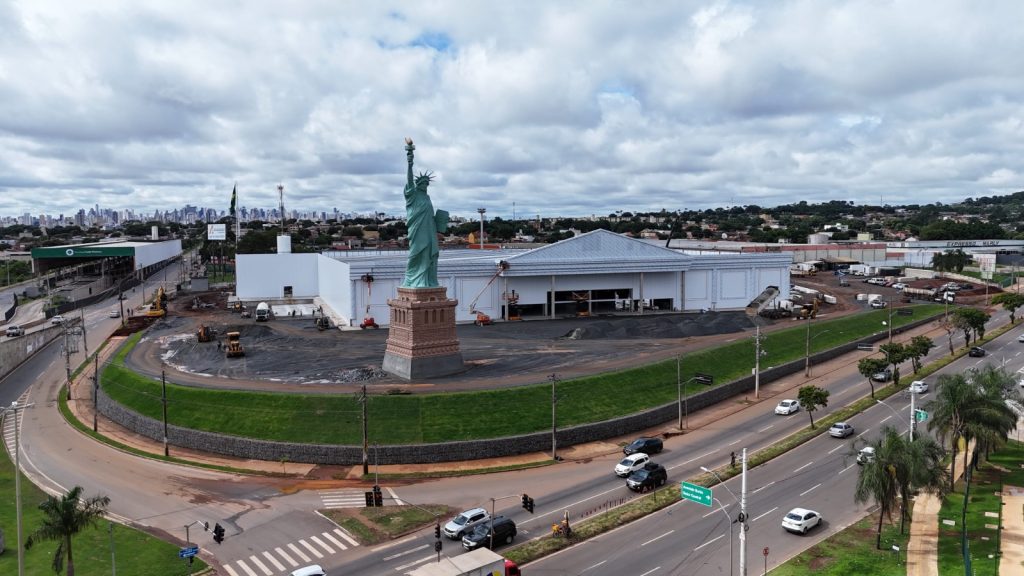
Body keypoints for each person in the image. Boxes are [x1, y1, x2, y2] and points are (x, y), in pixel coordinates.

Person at [401, 138, 448, 288]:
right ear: (417, 184)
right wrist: (410, 161)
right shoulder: (412, 194)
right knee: (415, 254)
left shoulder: (427, 197)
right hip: (417, 230)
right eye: (423, 183)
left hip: (429, 231)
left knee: (430, 255)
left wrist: (439, 223)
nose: (425, 185)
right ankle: (411, 279)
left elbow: (431, 216)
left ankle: (428, 280)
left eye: (427, 183)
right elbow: (409, 179)